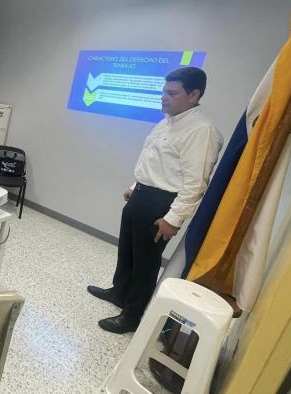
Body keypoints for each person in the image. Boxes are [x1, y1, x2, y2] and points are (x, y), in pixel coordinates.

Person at [87, 67, 223, 334]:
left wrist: (173, 220)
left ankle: (132, 316)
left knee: (146, 264)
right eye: (164, 91)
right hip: (141, 196)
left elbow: (195, 184)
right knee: (127, 252)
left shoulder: (201, 131)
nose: (164, 97)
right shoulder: (167, 121)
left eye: (172, 93)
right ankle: (119, 293)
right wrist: (134, 186)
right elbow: (154, 160)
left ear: (194, 94)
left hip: (161, 205)